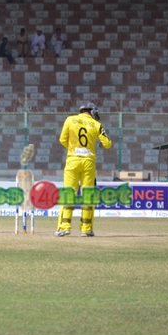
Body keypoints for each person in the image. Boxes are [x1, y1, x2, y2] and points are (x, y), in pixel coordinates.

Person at [55, 102, 113, 237]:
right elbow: (108, 144)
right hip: (89, 162)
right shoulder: (97, 125)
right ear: (91, 111)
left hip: (72, 161)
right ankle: (86, 229)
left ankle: (64, 227)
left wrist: (73, 149)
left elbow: (62, 139)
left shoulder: (70, 120)